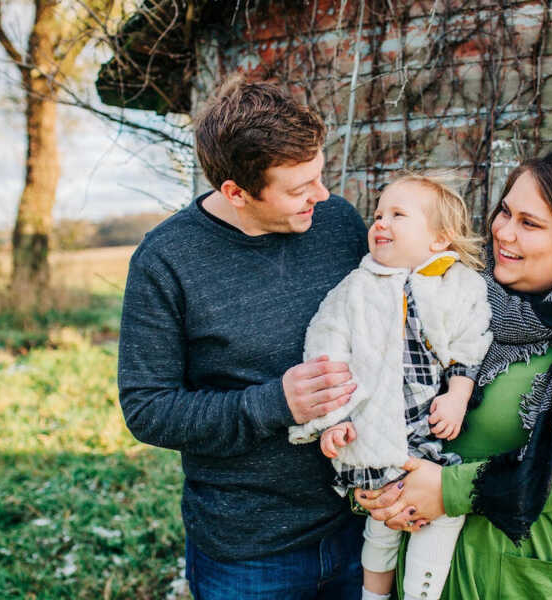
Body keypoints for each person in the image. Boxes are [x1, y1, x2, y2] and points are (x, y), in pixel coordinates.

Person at [356, 150, 552, 599]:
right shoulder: (452, 294)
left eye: (530, 223)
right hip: (430, 557)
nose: (503, 232)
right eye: (505, 211)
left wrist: (448, 490)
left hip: (535, 566)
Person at [117, 77, 370, 599]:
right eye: (300, 189)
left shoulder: (340, 225)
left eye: (319, 177)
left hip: (363, 526)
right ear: (235, 192)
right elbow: (147, 408)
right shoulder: (166, 262)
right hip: (249, 554)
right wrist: (273, 404)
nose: (321, 196)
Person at [288, 175, 492, 600]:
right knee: (380, 524)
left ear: (439, 239)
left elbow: (471, 344)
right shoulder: (355, 288)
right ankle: (373, 595)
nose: (381, 223)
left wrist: (457, 396)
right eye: (378, 215)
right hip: (374, 430)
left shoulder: (461, 286)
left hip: (427, 431)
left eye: (398, 215)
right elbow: (325, 349)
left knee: (441, 516)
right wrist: (333, 422)